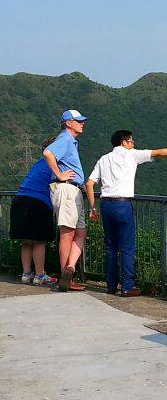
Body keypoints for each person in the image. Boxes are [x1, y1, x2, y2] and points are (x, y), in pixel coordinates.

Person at [85, 130, 167, 297]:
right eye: (132, 141)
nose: (134, 144)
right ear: (124, 142)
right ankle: (127, 286)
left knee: (111, 247)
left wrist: (93, 208)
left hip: (105, 205)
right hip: (123, 205)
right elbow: (160, 152)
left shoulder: (103, 159)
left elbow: (89, 184)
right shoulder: (132, 155)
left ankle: (111, 286)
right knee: (127, 247)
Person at [9, 133, 76, 286]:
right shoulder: (55, 166)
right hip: (37, 203)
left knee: (26, 242)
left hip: (20, 201)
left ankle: (26, 274)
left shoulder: (38, 163)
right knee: (39, 241)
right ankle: (40, 275)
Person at [49, 109, 89, 292]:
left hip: (74, 191)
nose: (82, 123)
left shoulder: (71, 141)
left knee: (80, 231)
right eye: (78, 121)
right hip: (66, 188)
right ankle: (66, 276)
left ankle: (70, 268)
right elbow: (48, 153)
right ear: (68, 123)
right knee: (68, 232)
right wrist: (59, 174)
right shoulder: (64, 138)